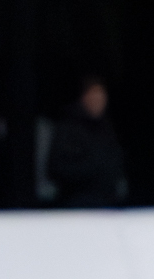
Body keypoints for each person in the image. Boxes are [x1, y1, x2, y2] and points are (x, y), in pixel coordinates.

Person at [46, 76, 129, 209]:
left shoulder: (107, 128)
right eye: (94, 95)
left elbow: (116, 162)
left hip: (108, 204)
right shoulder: (68, 127)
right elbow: (56, 169)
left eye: (101, 96)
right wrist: (95, 169)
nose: (98, 101)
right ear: (84, 97)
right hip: (77, 205)